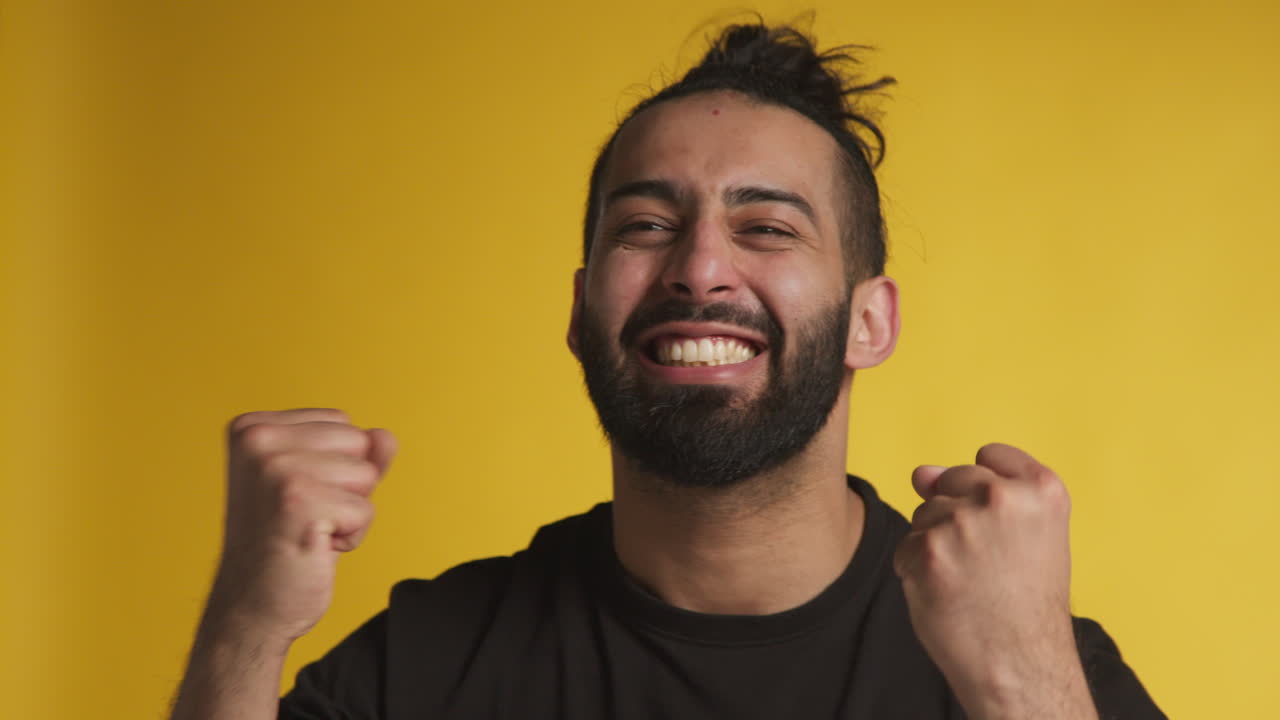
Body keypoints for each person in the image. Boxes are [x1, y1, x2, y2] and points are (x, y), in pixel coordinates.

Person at [170, 21, 1164, 720]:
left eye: (765, 227)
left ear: (868, 321)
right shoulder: (433, 657)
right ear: (579, 310)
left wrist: (1019, 686)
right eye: (644, 226)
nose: (695, 267)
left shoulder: (1030, 660)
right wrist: (246, 627)